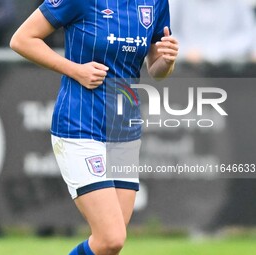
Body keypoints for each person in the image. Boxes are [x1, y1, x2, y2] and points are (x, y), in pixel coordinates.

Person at [10, 1, 178, 255]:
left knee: (109, 245)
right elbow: (22, 39)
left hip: (124, 130)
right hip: (79, 123)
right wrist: (75, 70)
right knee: (110, 238)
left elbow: (157, 70)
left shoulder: (155, 2)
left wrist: (167, 60)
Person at [170, 0, 254, 64]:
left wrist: (219, 51)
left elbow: (248, 34)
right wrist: (185, 51)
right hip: (185, 68)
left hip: (229, 68)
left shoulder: (238, 3)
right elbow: (166, 34)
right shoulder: (177, 3)